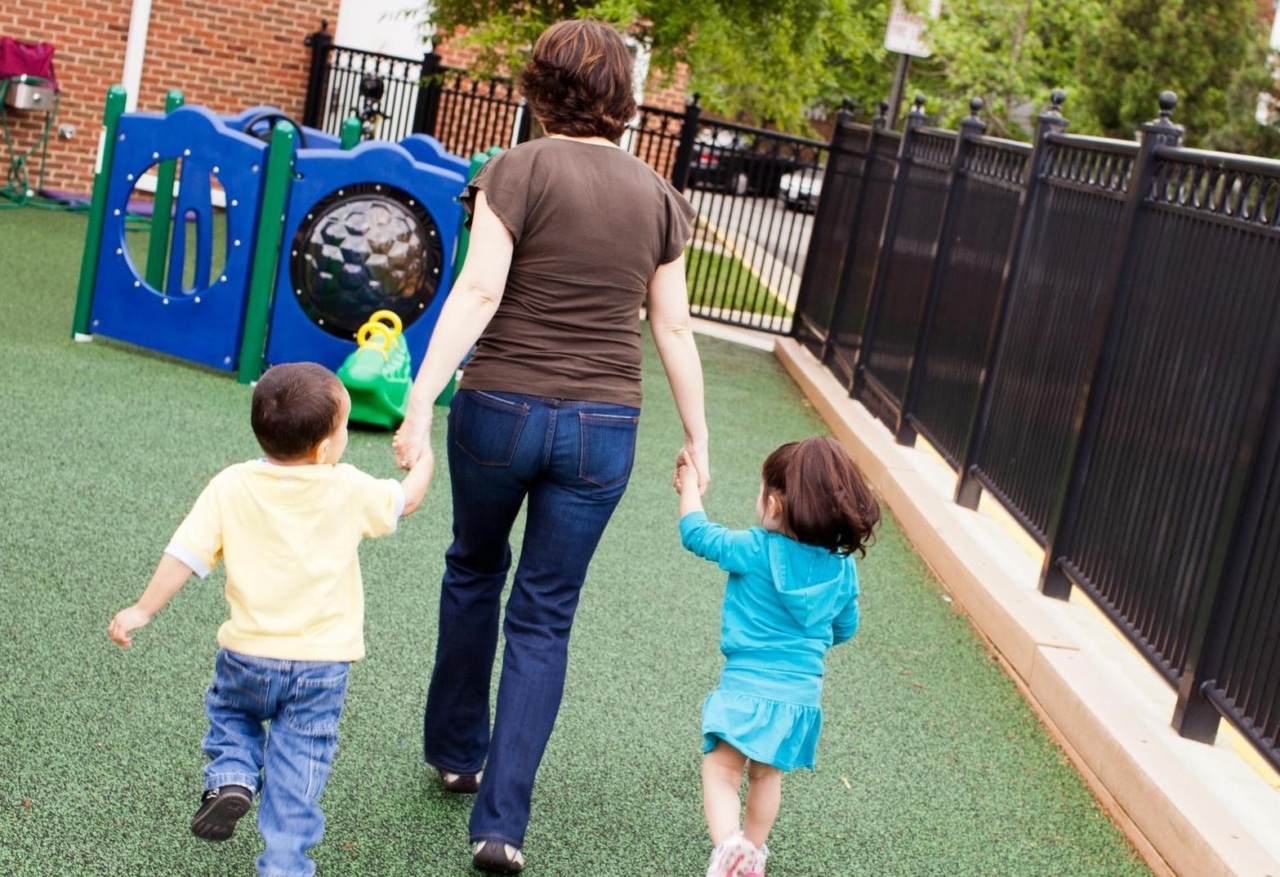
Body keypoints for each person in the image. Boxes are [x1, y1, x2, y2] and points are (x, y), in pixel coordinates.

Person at [390, 17, 709, 875]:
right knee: (545, 612)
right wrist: (699, 434)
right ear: (624, 103)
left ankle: (458, 750)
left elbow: (483, 287)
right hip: (603, 428)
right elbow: (672, 327)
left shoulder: (514, 170)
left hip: (497, 409)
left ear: (536, 87)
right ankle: (501, 824)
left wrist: (420, 397)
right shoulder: (658, 196)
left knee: (473, 568)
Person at [108, 362, 434, 877]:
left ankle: (233, 775)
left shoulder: (232, 484)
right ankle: (284, 862)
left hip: (248, 653)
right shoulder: (346, 487)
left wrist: (142, 608)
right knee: (301, 761)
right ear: (327, 447)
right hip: (321, 666)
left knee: (232, 717)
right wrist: (424, 453)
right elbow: (409, 498)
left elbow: (185, 553)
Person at [675, 437, 880, 877]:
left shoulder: (753, 548)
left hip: (745, 689)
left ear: (774, 503)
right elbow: (845, 628)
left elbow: (695, 533)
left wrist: (689, 485)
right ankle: (753, 851)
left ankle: (730, 849)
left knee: (723, 772)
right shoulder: (842, 568)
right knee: (767, 777)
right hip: (799, 698)